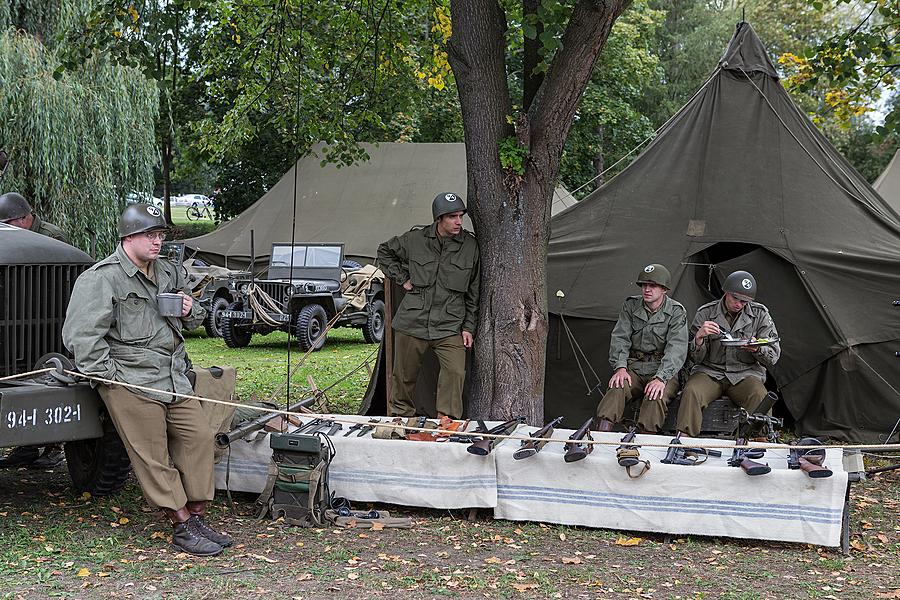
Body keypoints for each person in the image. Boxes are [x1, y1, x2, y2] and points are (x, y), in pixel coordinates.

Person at [62, 203, 230, 556]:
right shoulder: (101, 278)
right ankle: (182, 524)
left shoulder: (168, 271)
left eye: (160, 235)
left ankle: (197, 515)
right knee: (152, 454)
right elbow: (81, 338)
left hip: (171, 376)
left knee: (199, 437)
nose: (157, 242)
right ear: (128, 237)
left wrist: (190, 309)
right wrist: (113, 379)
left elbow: (195, 318)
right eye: (150, 235)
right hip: (130, 381)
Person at [377, 192, 480, 420]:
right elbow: (384, 252)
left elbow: (474, 290)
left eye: (460, 216)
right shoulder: (415, 240)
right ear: (439, 219)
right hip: (413, 320)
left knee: (455, 372)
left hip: (450, 323)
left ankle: (447, 422)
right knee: (403, 376)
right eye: (452, 217)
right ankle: (402, 420)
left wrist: (468, 327)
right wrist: (402, 278)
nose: (458, 222)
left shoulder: (470, 246)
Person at [0, 192, 71, 469]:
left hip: (46, 310)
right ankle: (27, 447)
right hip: (18, 309)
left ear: (24, 219)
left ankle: (54, 447)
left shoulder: (52, 236)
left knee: (44, 373)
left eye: (8, 223)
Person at [675, 270, 780, 436]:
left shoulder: (760, 314)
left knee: (759, 395)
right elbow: (694, 358)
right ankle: (686, 440)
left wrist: (757, 348)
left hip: (744, 374)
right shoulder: (706, 312)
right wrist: (699, 338)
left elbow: (773, 355)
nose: (739, 304)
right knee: (692, 391)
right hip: (710, 372)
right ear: (726, 293)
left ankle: (757, 442)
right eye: (735, 298)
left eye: (744, 301)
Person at [595, 264, 688, 433]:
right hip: (635, 367)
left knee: (655, 395)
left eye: (652, 286)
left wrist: (661, 378)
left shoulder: (676, 312)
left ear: (664, 289)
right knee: (617, 387)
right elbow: (620, 338)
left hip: (662, 369)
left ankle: (645, 442)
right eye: (644, 285)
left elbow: (677, 349)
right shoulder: (631, 306)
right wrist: (621, 368)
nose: (646, 289)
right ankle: (600, 437)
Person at [0, 191, 70, 244]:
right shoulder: (16, 236)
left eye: (7, 223)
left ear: (22, 219)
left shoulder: (52, 235)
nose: (5, 227)